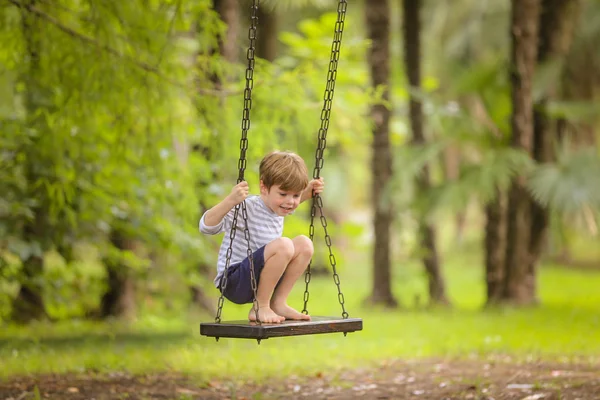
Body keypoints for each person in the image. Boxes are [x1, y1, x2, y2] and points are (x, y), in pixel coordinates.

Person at [199, 151, 324, 324]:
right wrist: (230, 201)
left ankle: (278, 302)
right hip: (235, 281)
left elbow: (288, 199)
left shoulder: (278, 207)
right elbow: (206, 226)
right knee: (284, 245)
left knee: (305, 244)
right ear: (264, 188)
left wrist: (308, 192)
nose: (290, 202)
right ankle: (260, 306)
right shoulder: (246, 207)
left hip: (260, 280)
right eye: (283, 194)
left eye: (295, 195)